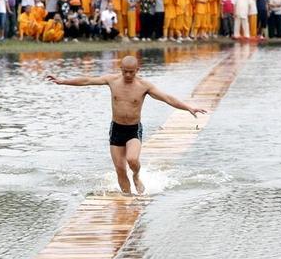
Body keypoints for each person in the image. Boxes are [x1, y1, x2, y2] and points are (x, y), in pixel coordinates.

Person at [47, 56, 207, 195]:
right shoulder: (112, 80)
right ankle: (128, 198)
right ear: (121, 69)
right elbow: (87, 80)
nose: (128, 75)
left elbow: (167, 98)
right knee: (120, 169)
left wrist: (189, 108)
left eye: (132, 71)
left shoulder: (144, 86)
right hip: (116, 129)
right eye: (125, 71)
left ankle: (136, 175)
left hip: (133, 129)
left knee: (131, 159)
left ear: (138, 69)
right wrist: (62, 81)